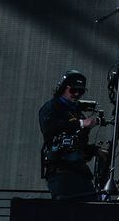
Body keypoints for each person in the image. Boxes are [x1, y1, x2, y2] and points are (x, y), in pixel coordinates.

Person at [38, 70, 100, 200]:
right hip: (60, 171)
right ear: (63, 88)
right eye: (73, 90)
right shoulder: (51, 107)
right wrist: (81, 123)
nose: (77, 94)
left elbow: (78, 143)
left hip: (79, 171)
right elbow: (50, 129)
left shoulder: (76, 111)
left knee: (93, 208)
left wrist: (95, 151)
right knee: (65, 211)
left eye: (80, 91)